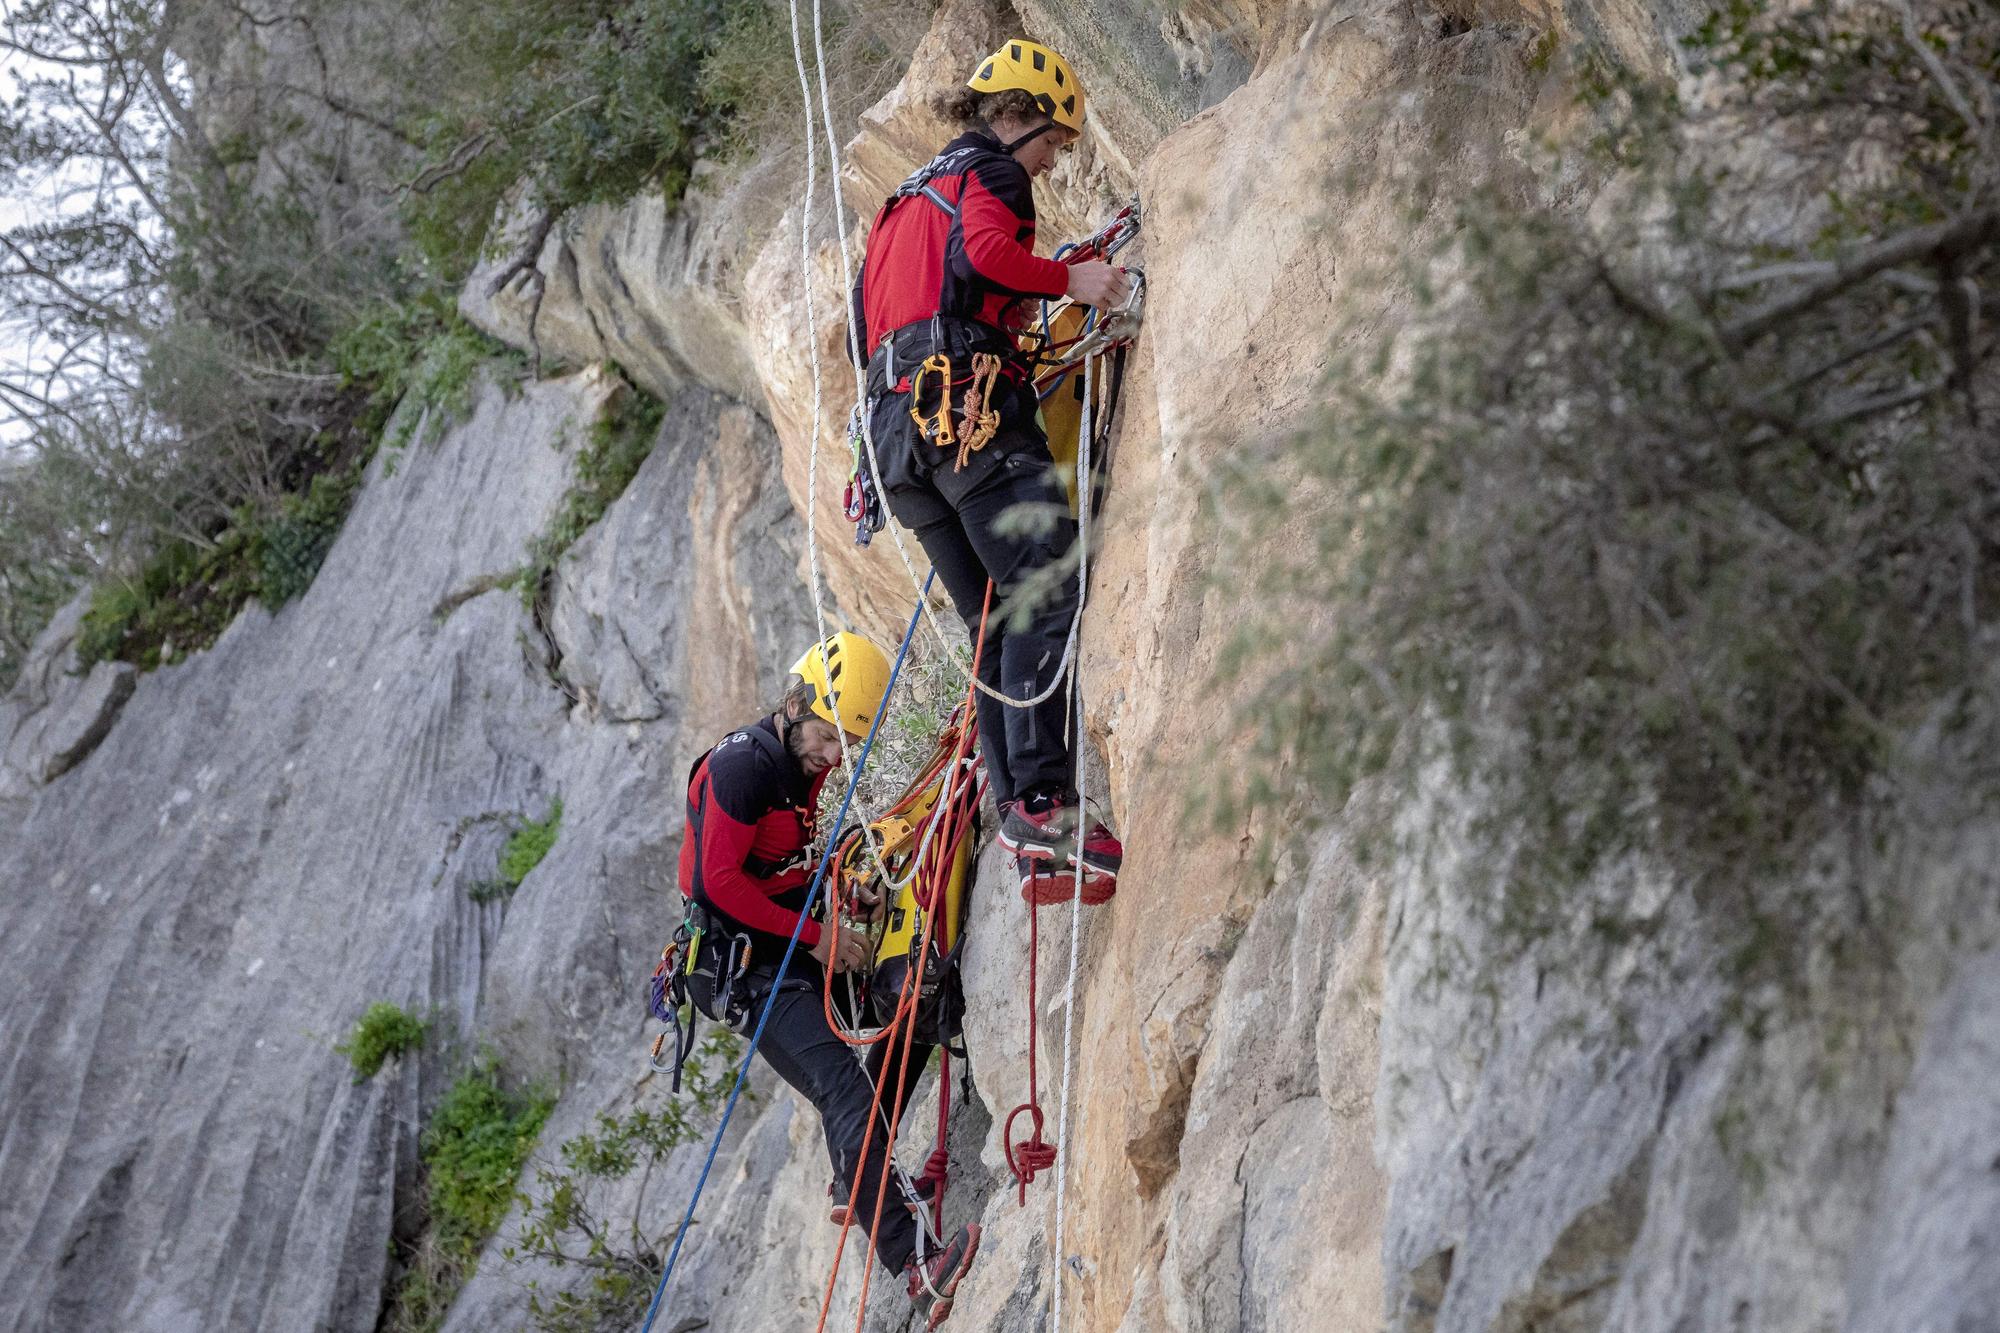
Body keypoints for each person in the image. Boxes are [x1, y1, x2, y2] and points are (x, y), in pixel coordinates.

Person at [852, 38, 1129, 904]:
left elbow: (882, 316)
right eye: (1053, 142)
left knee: (997, 620)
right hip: (964, 417)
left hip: (898, 442)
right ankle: (1046, 797)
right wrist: (1074, 280)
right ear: (1016, 117)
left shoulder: (904, 201)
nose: (1051, 165)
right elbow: (984, 258)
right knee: (1046, 579)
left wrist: (1021, 306)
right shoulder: (992, 174)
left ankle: (1021, 817)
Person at [676, 632, 978, 1328]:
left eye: (844, 745)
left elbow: (776, 869)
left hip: (785, 942)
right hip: (745, 971)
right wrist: (819, 935)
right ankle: (916, 1265)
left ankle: (855, 1171)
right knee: (841, 1085)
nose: (832, 757)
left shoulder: (802, 767)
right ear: (795, 701)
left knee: (916, 1002)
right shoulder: (741, 768)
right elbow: (717, 884)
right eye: (825, 737)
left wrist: (840, 890)